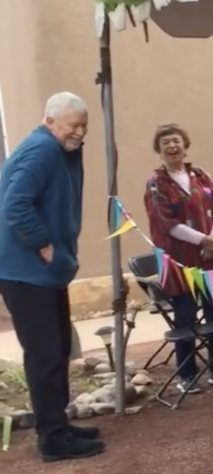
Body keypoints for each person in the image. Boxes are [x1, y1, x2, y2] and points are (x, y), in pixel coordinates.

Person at [0, 92, 100, 462]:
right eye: (73, 125)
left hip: (42, 274)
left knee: (56, 351)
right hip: (27, 274)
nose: (79, 132)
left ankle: (58, 424)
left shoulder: (59, 149)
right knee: (45, 356)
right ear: (50, 121)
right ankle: (53, 441)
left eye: (84, 126)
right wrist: (44, 245)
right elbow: (15, 203)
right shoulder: (43, 150)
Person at [142, 123, 213, 395]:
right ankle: (187, 374)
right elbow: (166, 222)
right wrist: (202, 240)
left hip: (208, 259)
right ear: (159, 151)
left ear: (185, 144)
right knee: (185, 318)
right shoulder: (156, 184)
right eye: (165, 143)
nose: (172, 146)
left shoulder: (201, 175)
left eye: (176, 141)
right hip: (178, 263)